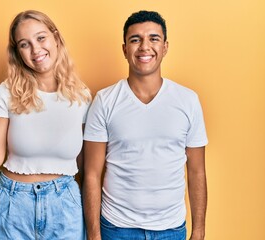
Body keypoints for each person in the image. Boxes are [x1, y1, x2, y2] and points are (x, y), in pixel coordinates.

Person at [0, 10, 91, 240]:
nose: (36, 50)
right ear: (18, 53)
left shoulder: (82, 96)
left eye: (41, 38)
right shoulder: (7, 91)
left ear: (56, 37)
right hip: (12, 205)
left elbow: (87, 169)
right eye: (24, 44)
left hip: (65, 206)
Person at [83, 10, 208, 240]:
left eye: (153, 38)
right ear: (124, 49)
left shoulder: (188, 100)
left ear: (165, 47)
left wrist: (199, 231)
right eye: (135, 40)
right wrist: (94, 235)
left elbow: (197, 170)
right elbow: (91, 173)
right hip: (116, 227)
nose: (144, 47)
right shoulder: (104, 100)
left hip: (171, 229)